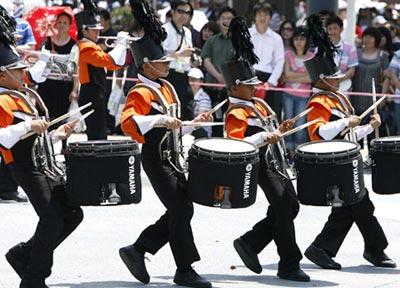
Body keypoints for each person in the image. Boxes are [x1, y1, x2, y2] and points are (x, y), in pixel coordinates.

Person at [119, 1, 212, 287]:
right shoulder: (141, 91)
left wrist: (193, 123)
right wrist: (159, 122)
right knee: (182, 209)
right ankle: (184, 270)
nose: (167, 65)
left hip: (172, 157)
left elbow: (173, 123)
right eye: (162, 62)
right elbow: (129, 121)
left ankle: (138, 249)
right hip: (155, 158)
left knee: (183, 208)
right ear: (147, 65)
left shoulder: (166, 87)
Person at [303, 14, 396, 270]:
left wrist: (369, 126)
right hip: (331, 162)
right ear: (322, 80)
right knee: (360, 205)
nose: (339, 79)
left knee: (350, 207)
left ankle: (322, 248)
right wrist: (346, 122)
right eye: (334, 77)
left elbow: (350, 134)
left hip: (346, 159)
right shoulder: (318, 103)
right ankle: (375, 249)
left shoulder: (338, 100)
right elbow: (320, 133)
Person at [222, 16, 309, 282]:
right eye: (251, 84)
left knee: (291, 207)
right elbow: (237, 145)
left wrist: (280, 128)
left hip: (276, 162)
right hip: (259, 164)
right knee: (284, 207)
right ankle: (289, 263)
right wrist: (264, 138)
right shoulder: (236, 110)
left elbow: (268, 129)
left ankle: (250, 242)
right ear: (236, 85)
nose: (256, 87)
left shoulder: (257, 105)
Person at [0, 10, 83, 288]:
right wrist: (28, 128)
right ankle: (34, 279)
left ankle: (24, 253)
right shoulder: (3, 101)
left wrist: (57, 134)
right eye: (18, 70)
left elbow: (38, 138)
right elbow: (3, 138)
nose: (24, 73)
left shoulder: (23, 96)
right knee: (51, 218)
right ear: (3, 75)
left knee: (72, 214)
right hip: (23, 167)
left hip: (42, 163)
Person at [76, 0, 128, 140]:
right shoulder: (86, 46)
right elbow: (109, 62)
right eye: (94, 29)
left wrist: (121, 47)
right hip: (91, 93)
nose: (98, 32)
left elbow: (115, 65)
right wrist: (121, 45)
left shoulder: (91, 45)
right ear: (84, 30)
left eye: (98, 29)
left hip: (96, 92)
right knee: (97, 135)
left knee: (100, 134)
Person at [37, 11, 77, 150]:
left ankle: (64, 146)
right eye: (59, 22)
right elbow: (38, 60)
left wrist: (75, 89)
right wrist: (47, 56)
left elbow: (75, 70)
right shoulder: (48, 42)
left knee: (62, 116)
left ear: (69, 26)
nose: (61, 25)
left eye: (65, 23)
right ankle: (44, 146)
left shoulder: (73, 44)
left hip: (64, 85)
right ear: (55, 23)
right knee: (45, 114)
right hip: (47, 85)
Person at [201, 7, 237, 136]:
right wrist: (218, 76)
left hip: (233, 89)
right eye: (223, 18)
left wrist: (227, 78)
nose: (226, 21)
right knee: (214, 121)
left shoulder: (240, 41)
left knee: (233, 120)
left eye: (230, 18)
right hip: (213, 88)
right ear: (218, 21)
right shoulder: (212, 40)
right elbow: (206, 60)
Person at [249, 3, 285, 120]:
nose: (262, 18)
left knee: (267, 114)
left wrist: (270, 82)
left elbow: (279, 61)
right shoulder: (246, 34)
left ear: (270, 17)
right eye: (259, 14)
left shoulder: (276, 38)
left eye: (266, 15)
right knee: (248, 112)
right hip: (249, 77)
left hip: (267, 80)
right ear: (255, 16)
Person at [281, 26, 313, 157]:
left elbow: (311, 78)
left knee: (300, 124)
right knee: (288, 122)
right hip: (288, 94)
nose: (299, 41)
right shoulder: (287, 54)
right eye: (296, 38)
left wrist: (293, 75)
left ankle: (299, 151)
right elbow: (285, 75)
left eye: (302, 38)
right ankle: (288, 151)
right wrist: (303, 76)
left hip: (304, 95)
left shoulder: (312, 56)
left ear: (307, 41)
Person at [163, 0, 195, 121]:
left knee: (187, 109)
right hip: (169, 74)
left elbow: (187, 54)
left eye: (187, 12)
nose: (184, 15)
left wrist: (193, 60)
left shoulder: (187, 32)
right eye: (180, 11)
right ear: (172, 11)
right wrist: (179, 54)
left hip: (184, 74)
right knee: (171, 111)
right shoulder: (164, 29)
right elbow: (160, 55)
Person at [325, 15, 358, 92]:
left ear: (341, 29)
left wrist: (339, 79)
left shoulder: (350, 47)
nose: (332, 32)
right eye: (329, 29)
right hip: (325, 86)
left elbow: (352, 70)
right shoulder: (321, 48)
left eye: (335, 28)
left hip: (344, 86)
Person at [188, 67, 212, 138]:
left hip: (202, 133)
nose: (191, 82)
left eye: (194, 79)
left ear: (201, 81)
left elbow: (200, 120)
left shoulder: (204, 97)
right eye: (190, 79)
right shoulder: (187, 95)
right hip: (190, 129)